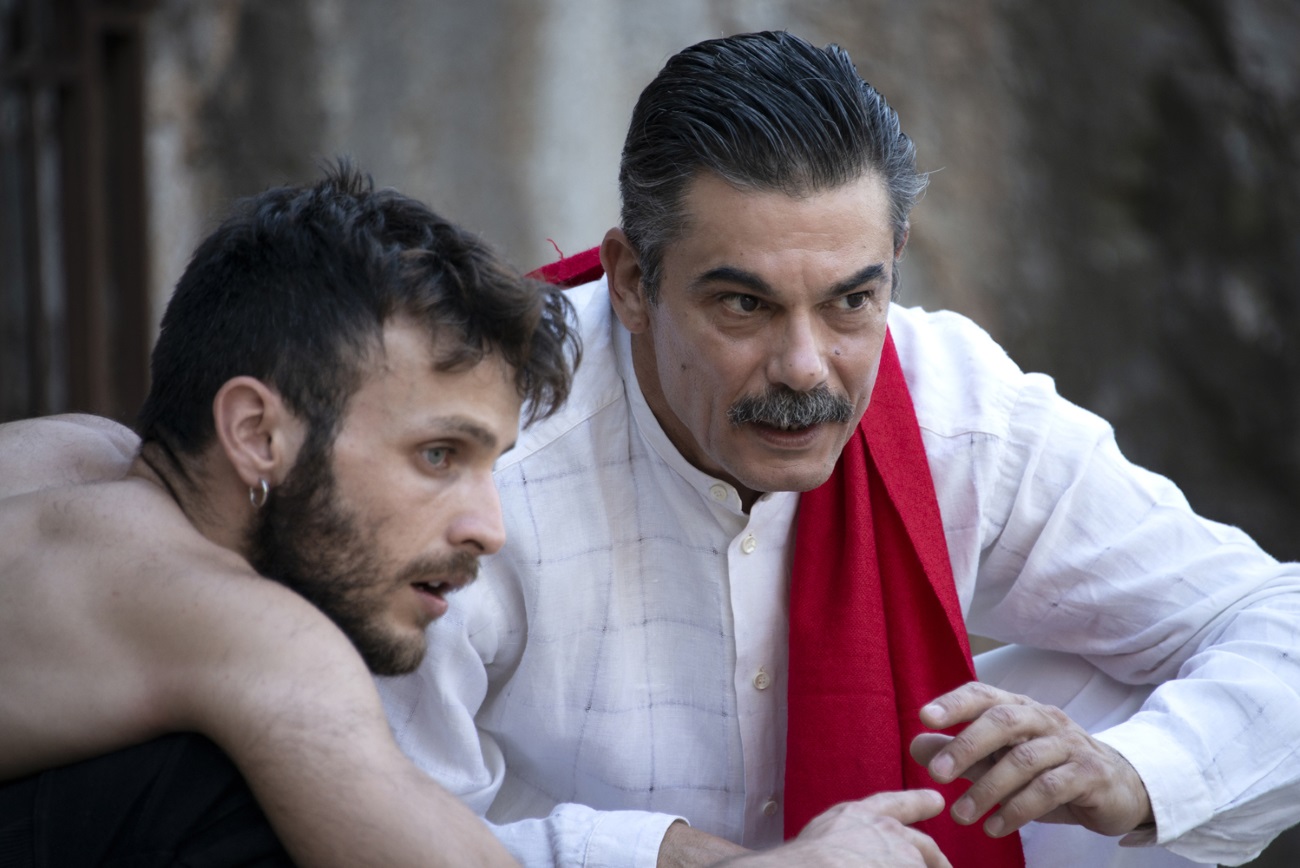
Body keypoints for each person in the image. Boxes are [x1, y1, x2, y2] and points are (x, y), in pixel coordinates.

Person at [372, 30, 1300, 868]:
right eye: (745, 304)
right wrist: (683, 860)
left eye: (852, 301)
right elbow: (369, 824)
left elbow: (1273, 616)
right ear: (630, 283)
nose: (805, 367)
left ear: (895, 258)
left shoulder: (949, 404)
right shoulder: (480, 460)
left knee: (1119, 706)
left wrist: (1137, 774)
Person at [0, 165, 959, 868]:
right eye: (437, 457)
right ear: (256, 432)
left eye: (488, 463)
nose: (488, 528)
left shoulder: (66, 454)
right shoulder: (249, 638)